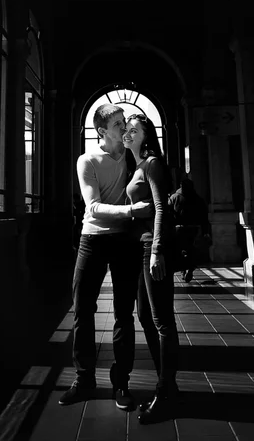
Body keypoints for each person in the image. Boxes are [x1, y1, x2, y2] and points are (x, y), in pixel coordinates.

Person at [59, 104, 153, 410]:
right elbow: (93, 207)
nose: (124, 127)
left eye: (125, 122)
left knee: (124, 315)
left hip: (124, 242)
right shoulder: (87, 160)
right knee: (82, 311)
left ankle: (121, 384)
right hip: (93, 240)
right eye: (117, 124)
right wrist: (131, 211)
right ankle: (84, 379)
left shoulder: (130, 156)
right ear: (102, 131)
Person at [123, 114, 180, 425]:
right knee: (146, 316)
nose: (128, 133)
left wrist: (157, 250)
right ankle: (167, 385)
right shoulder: (137, 167)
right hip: (141, 248)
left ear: (146, 136)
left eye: (135, 129)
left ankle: (166, 391)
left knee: (162, 321)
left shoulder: (153, 163)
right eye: (127, 129)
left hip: (152, 249)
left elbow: (161, 208)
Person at [169, 178, 212, 265]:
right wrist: (205, 231)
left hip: (178, 228)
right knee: (191, 249)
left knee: (179, 249)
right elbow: (203, 216)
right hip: (193, 228)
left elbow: (168, 212)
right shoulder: (197, 199)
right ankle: (190, 267)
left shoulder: (174, 197)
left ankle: (183, 267)